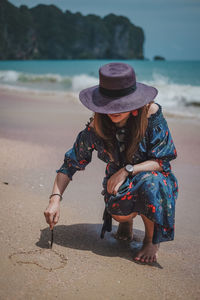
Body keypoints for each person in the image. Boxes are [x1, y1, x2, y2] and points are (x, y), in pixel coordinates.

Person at [44, 63, 178, 263]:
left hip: (155, 181)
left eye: (121, 104)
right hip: (118, 187)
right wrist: (54, 200)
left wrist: (127, 170)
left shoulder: (150, 115)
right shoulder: (96, 127)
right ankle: (126, 222)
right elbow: (69, 164)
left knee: (150, 181)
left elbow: (162, 162)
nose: (114, 110)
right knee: (118, 210)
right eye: (109, 104)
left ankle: (151, 239)